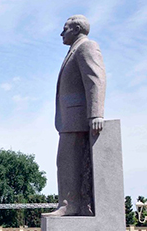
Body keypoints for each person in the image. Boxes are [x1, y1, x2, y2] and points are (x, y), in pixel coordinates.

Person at [46, 15, 106, 217]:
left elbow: (95, 79)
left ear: (77, 29)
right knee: (65, 162)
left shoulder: (86, 47)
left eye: (65, 29)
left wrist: (96, 114)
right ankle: (69, 204)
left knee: (67, 162)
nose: (61, 33)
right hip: (70, 120)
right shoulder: (74, 50)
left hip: (78, 119)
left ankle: (69, 205)